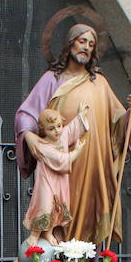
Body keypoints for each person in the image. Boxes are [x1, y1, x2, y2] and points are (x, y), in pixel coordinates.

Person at [15, 22, 131, 245]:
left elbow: (119, 123)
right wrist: (29, 135)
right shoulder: (51, 80)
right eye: (82, 41)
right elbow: (26, 113)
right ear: (70, 44)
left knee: (90, 220)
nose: (86, 47)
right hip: (61, 167)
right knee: (59, 214)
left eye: (91, 44)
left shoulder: (100, 84)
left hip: (93, 166)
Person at [21, 105, 90, 245]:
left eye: (59, 126)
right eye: (51, 129)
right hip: (46, 182)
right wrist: (76, 151)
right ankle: (35, 234)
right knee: (44, 206)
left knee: (56, 207)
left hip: (59, 182)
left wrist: (81, 115)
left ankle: (48, 232)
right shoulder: (42, 146)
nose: (57, 131)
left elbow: (72, 129)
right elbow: (61, 159)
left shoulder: (62, 136)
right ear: (43, 130)